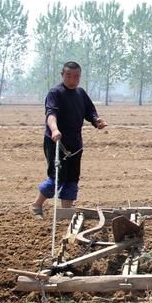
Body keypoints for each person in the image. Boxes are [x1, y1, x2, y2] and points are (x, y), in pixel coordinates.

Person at [30, 61, 107, 219]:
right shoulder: (55, 93)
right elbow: (51, 114)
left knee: (72, 179)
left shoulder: (81, 93)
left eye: (76, 76)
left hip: (76, 143)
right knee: (57, 178)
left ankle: (65, 214)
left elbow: (90, 111)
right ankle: (36, 205)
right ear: (62, 75)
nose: (73, 80)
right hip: (56, 142)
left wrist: (96, 121)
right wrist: (54, 129)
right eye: (69, 76)